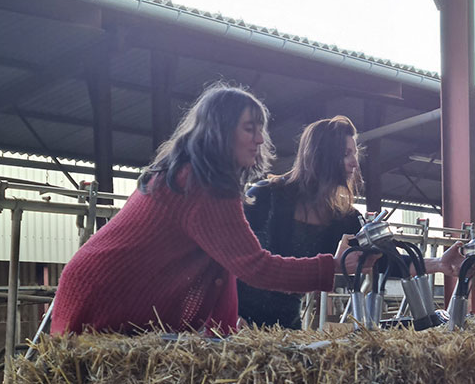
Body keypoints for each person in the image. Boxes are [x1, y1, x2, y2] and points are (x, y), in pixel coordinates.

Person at [51, 85, 357, 335]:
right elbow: (254, 267)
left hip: (100, 288)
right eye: (250, 129)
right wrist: (333, 266)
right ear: (221, 131)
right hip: (105, 297)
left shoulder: (190, 175)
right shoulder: (203, 185)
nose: (260, 139)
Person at [238, 115, 462, 329]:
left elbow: (384, 262)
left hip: (284, 325)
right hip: (234, 321)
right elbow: (235, 260)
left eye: (354, 153)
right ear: (320, 156)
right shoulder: (265, 198)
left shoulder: (343, 217)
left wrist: (439, 264)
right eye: (346, 154)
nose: (355, 163)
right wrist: (230, 313)